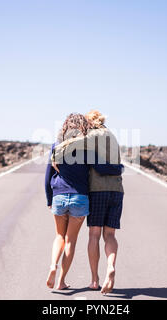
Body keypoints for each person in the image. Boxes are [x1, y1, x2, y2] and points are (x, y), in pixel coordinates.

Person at [45, 113, 123, 290]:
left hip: (59, 196)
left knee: (60, 236)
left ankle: (53, 267)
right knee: (71, 240)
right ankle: (64, 280)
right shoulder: (85, 149)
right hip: (81, 197)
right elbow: (101, 167)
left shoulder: (55, 146)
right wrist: (118, 168)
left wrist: (49, 198)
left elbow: (47, 176)